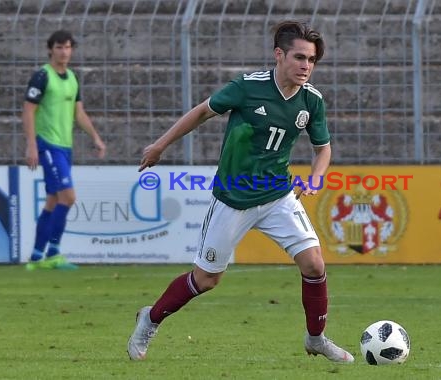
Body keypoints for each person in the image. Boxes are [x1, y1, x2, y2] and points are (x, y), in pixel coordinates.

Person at [127, 20, 354, 363]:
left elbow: (323, 149)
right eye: (299, 57)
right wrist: (160, 145)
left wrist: (317, 178)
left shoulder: (312, 101)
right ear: (279, 55)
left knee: (314, 264)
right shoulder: (248, 88)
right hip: (233, 199)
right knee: (205, 280)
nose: (306, 65)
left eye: (311, 59)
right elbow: (203, 112)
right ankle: (150, 318)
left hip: (278, 195)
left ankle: (316, 338)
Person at [22, 30, 106, 270]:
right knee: (68, 197)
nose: (64, 52)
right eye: (59, 47)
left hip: (65, 147)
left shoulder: (71, 77)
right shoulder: (42, 76)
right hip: (47, 145)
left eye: (68, 47)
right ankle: (54, 254)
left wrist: (96, 138)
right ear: (51, 49)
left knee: (52, 200)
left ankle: (37, 257)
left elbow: (78, 113)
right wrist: (31, 145)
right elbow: (28, 110)